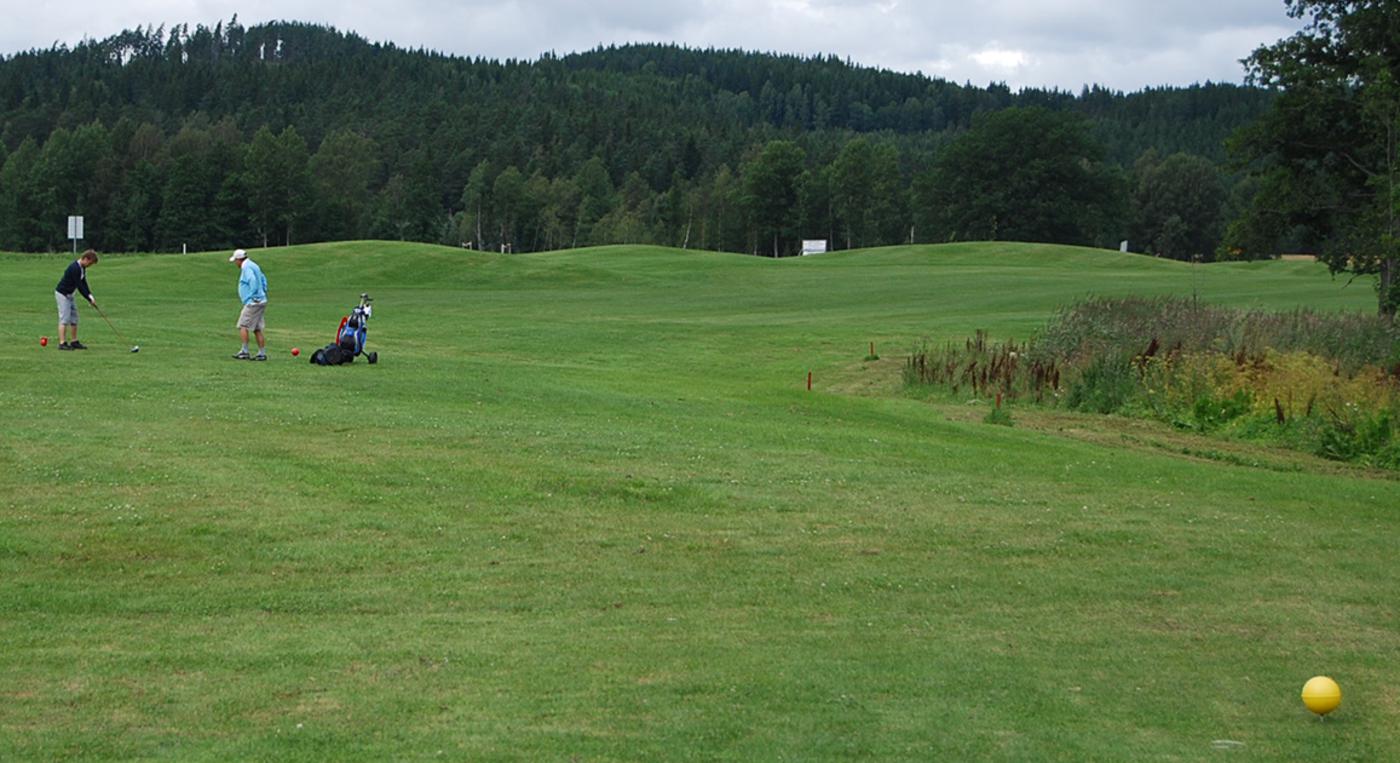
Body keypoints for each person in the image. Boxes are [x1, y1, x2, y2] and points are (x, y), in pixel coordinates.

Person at [54, 249, 99, 350]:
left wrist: (90, 296)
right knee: (64, 318)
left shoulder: (82, 268)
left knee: (74, 318)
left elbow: (83, 282)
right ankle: (62, 343)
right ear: (86, 259)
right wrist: (89, 299)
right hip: (63, 294)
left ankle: (74, 341)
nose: (90, 266)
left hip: (70, 294)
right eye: (90, 263)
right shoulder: (75, 268)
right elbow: (79, 286)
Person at [230, 248, 269, 360]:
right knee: (257, 328)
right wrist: (263, 291)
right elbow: (263, 278)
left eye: (235, 261)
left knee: (243, 325)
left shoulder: (246, 267)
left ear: (239, 260)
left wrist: (253, 295)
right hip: (261, 300)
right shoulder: (253, 265)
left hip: (253, 302)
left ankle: (244, 351)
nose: (235, 264)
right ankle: (261, 353)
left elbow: (252, 280)